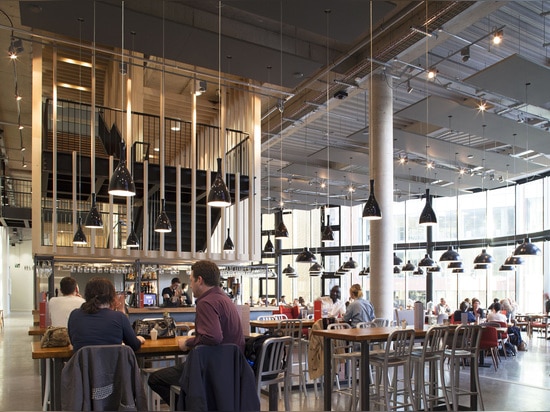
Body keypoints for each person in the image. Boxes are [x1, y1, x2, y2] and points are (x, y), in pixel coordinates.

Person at [148, 260, 245, 406]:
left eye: (191, 280)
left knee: (155, 379)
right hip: (232, 367)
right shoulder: (225, 299)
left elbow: (213, 337)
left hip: (211, 369)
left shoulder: (206, 302)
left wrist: (188, 342)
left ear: (200, 280)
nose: (191, 285)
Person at [67, 277, 145, 353]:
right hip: (113, 366)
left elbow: (74, 343)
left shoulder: (74, 315)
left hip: (84, 365)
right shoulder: (119, 317)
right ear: (111, 296)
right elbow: (134, 346)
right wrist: (139, 339)